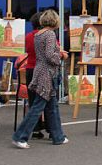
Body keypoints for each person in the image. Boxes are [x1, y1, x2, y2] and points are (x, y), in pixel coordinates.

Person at [12, 10, 69, 148]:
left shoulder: (38, 34)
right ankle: (20, 136)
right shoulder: (50, 34)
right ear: (55, 21)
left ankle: (58, 136)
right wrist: (61, 57)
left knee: (51, 106)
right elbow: (50, 55)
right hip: (47, 73)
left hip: (39, 70)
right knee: (39, 106)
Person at [25, 12, 49, 139]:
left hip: (30, 69)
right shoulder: (47, 36)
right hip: (44, 70)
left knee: (33, 100)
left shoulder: (28, 36)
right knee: (48, 101)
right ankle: (51, 127)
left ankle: (35, 128)